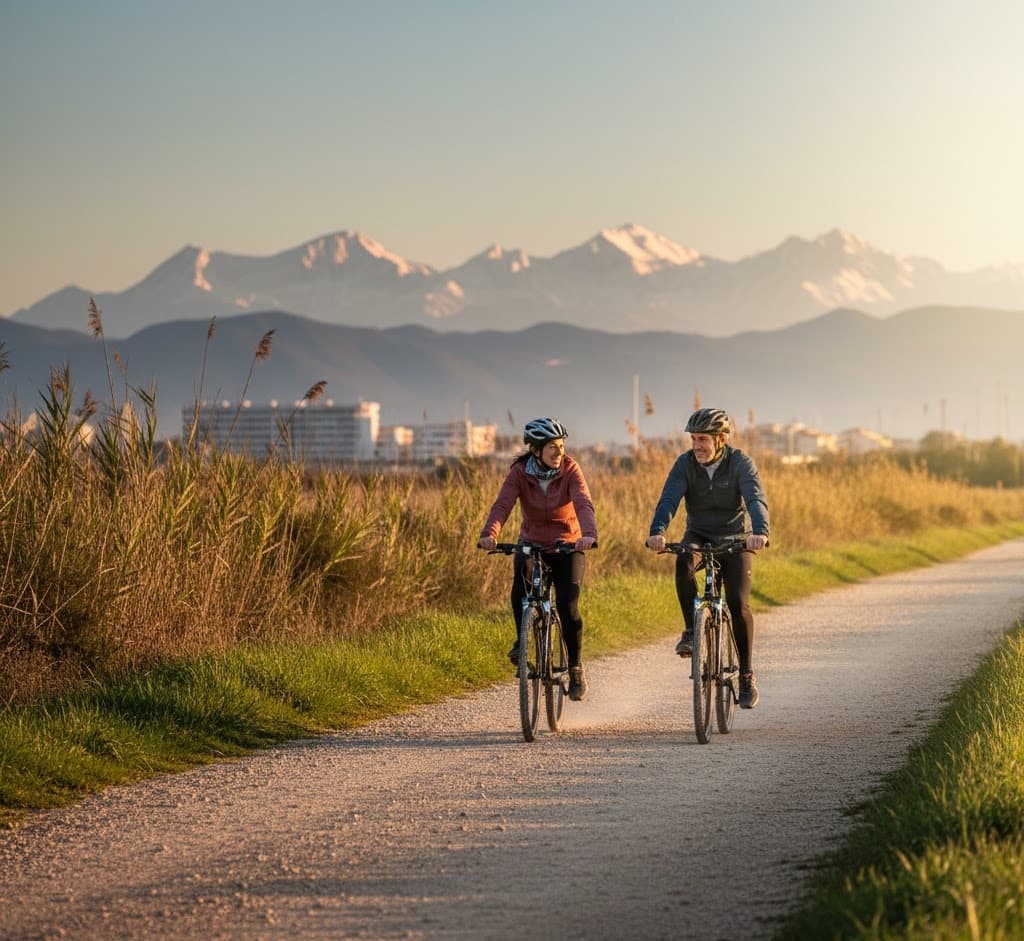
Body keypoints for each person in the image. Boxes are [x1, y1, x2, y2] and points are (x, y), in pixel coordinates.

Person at [645, 408, 769, 709]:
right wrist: (657, 531)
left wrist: (760, 532)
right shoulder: (684, 464)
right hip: (699, 534)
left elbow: (755, 498)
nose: (697, 445)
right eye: (693, 439)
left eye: (703, 439)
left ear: (721, 439)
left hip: (735, 540)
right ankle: (690, 630)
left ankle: (746, 675)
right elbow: (669, 499)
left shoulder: (740, 463)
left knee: (739, 606)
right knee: (684, 559)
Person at [478, 417, 598, 701]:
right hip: (532, 542)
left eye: (561, 445)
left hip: (568, 545)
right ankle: (522, 642)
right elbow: (503, 504)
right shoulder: (520, 472)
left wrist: (589, 534)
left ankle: (575, 668)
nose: (559, 452)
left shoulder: (570, 469)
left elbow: (583, 501)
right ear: (535, 450)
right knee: (520, 583)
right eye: (552, 447)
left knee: (568, 605)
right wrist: (489, 533)